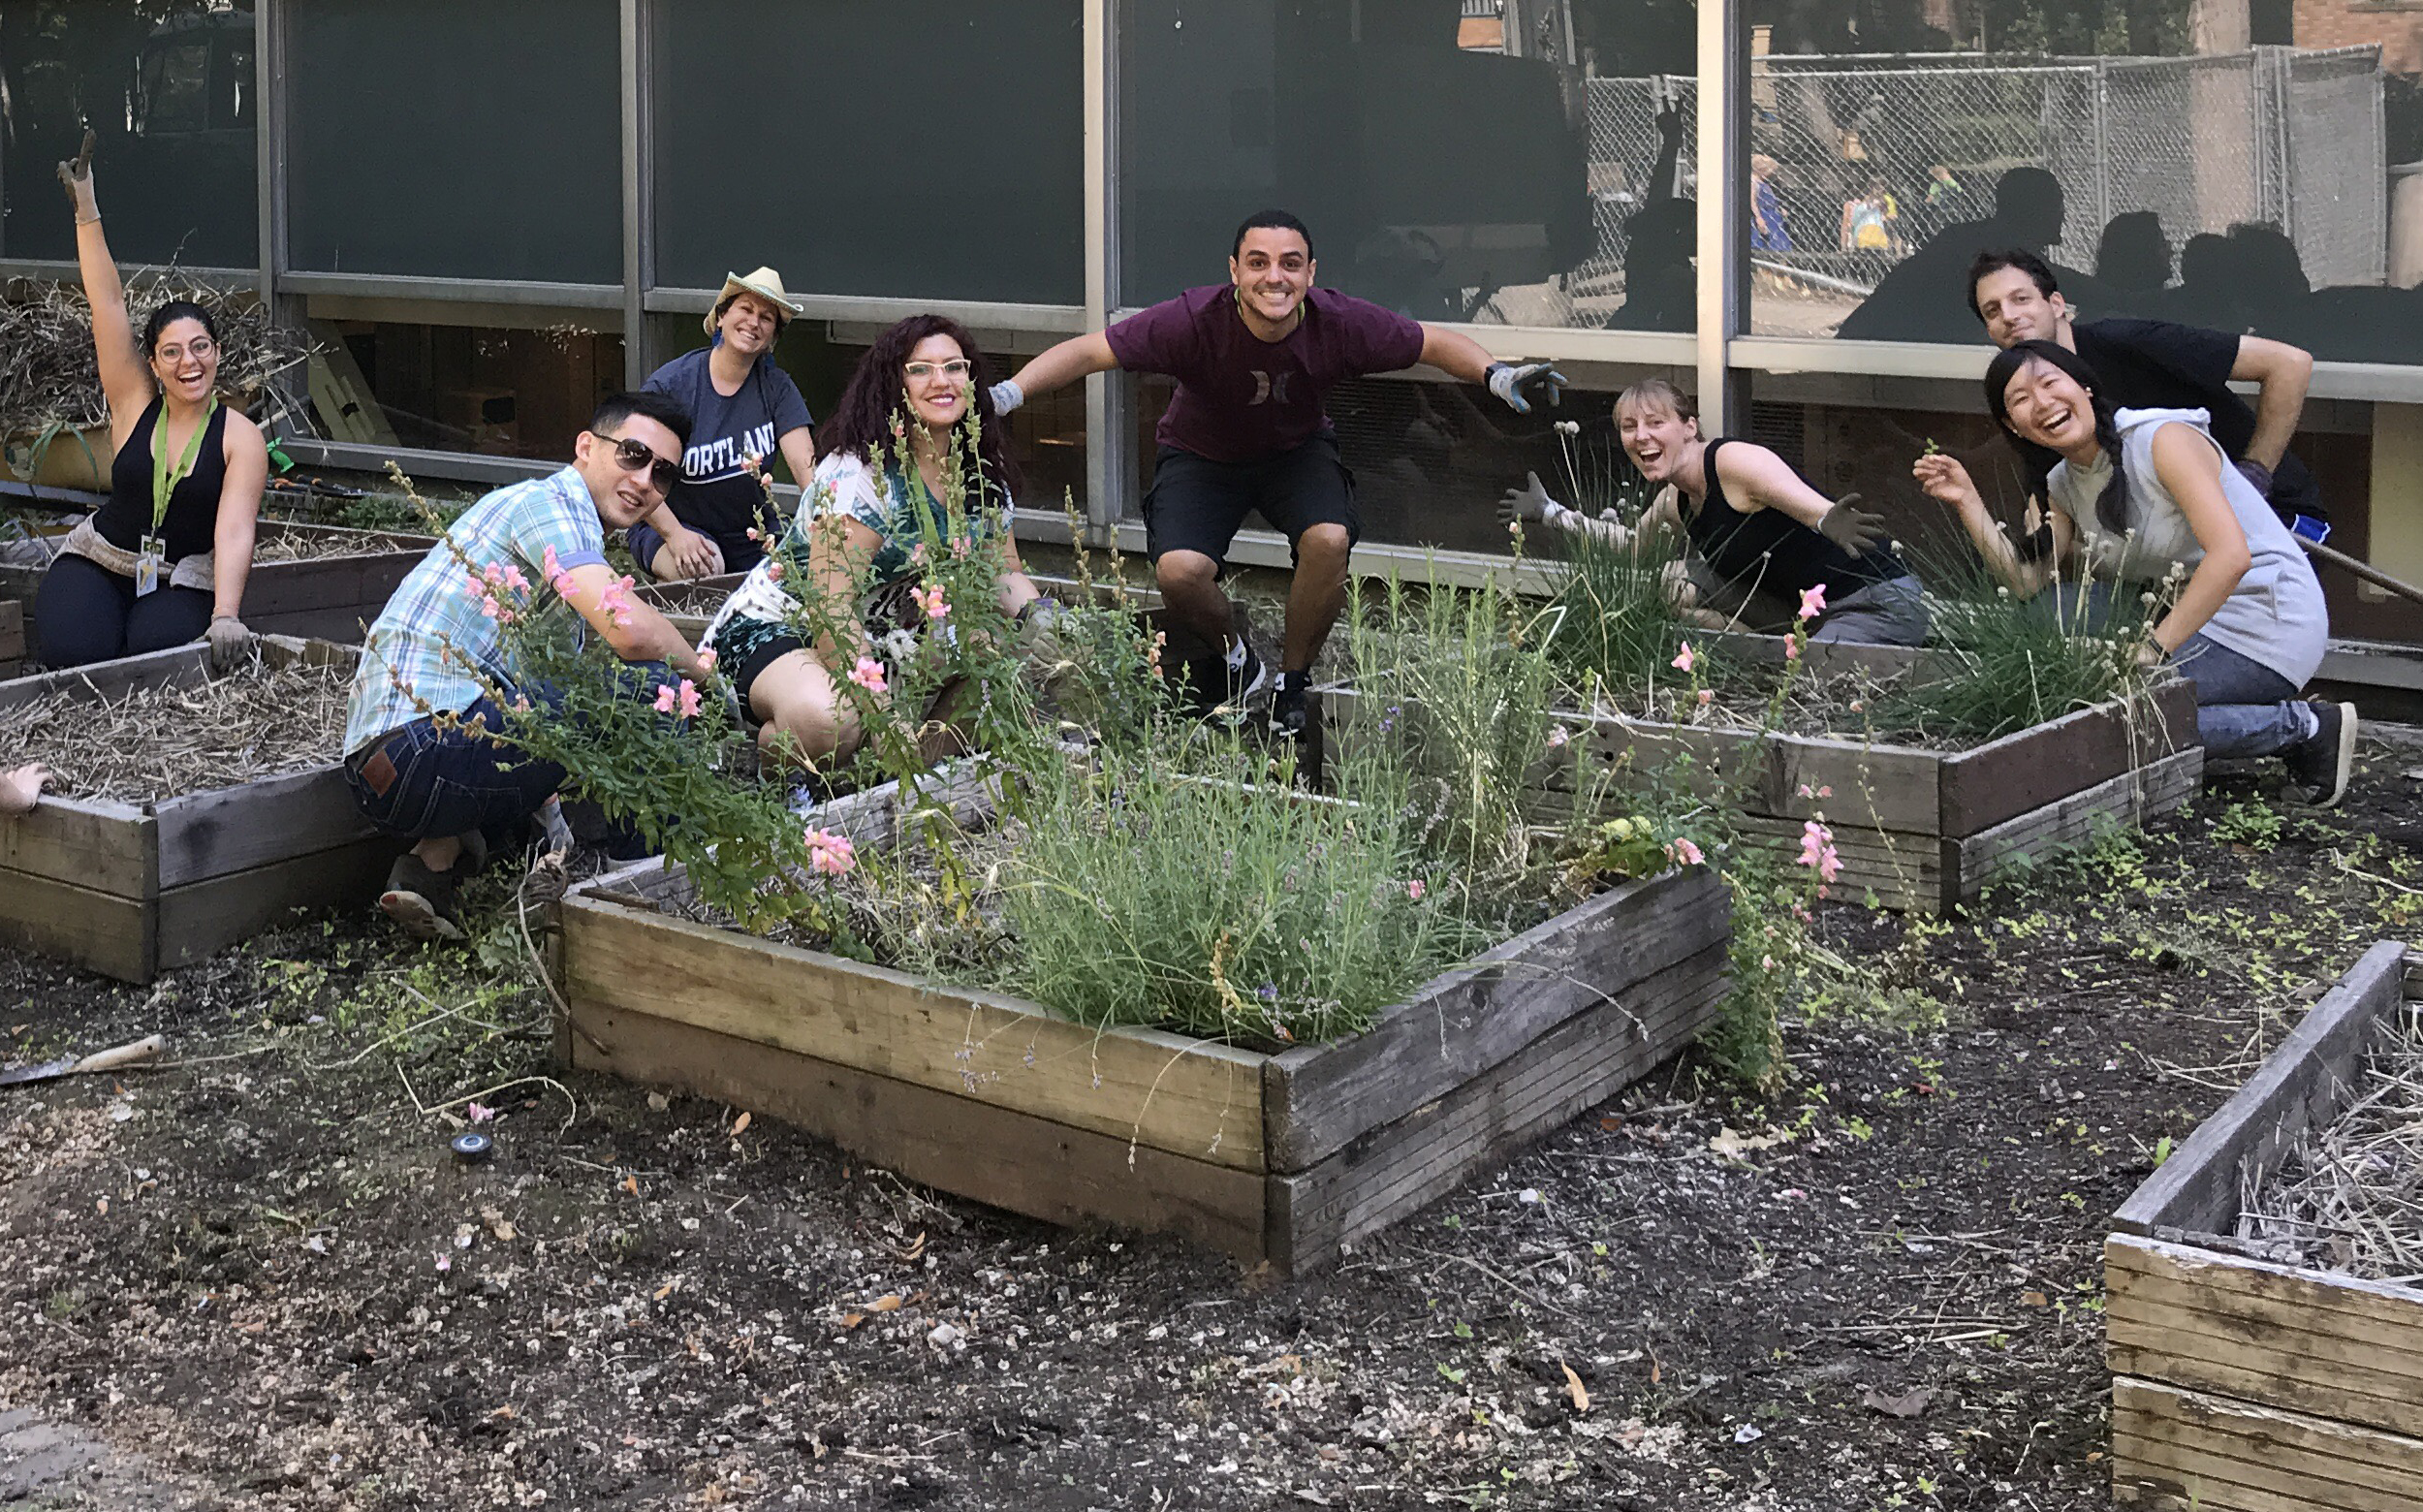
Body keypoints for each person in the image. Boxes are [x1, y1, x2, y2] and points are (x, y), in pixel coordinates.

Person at [989, 209, 1568, 736]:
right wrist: (1005, 395)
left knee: (1329, 539)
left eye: (1290, 264)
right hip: (1201, 457)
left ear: (1310, 274)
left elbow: (1432, 342)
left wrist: (1495, 375)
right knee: (1179, 572)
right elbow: (1093, 351)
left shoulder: (1338, 322)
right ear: (1234, 272)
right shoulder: (1193, 320)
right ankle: (1240, 660)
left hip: (1295, 451)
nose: (1275, 277)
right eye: (1258, 262)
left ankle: (1293, 682)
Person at [1915, 340, 2354, 807]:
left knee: (2112, 717)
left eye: (2049, 383)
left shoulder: (2163, 440)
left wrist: (2151, 651)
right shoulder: (2062, 482)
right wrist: (1967, 501)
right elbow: (2027, 583)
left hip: (2267, 623)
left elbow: (2232, 557)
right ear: (2012, 426)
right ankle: (2215, 708)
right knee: (2050, 618)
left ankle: (2305, 727)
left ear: (2084, 386)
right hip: (2191, 620)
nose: (2042, 404)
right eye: (2020, 400)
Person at [342, 393, 709, 938]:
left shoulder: (553, 522)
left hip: (381, 768)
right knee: (650, 688)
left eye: (663, 475)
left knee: (569, 718)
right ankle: (641, 889)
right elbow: (629, 632)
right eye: (633, 454)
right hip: (423, 744)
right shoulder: (552, 508)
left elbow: (551, 692)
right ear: (586, 446)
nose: (645, 481)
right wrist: (707, 680)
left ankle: (430, 864)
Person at [701, 315, 1041, 770]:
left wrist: (1048, 631)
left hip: (887, 633)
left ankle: (911, 782)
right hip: (785, 627)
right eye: (920, 369)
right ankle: (758, 773)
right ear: (892, 382)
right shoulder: (858, 473)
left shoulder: (979, 461)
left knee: (998, 657)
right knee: (828, 721)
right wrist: (880, 712)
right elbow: (831, 608)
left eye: (955, 367)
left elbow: (1004, 573)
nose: (941, 381)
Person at [36, 132, 267, 672]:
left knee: (150, 659)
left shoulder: (238, 436)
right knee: (76, 652)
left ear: (216, 352)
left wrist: (226, 614)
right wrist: (86, 207)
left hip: (180, 578)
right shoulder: (136, 402)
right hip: (104, 559)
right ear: (154, 363)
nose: (190, 363)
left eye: (200, 347)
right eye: (173, 352)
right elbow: (108, 302)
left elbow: (234, 529)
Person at [1500, 379, 1929, 646]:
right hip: (1800, 614)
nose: (1641, 436)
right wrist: (1552, 512)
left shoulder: (1731, 462)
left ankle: (1788, 665)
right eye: (1629, 427)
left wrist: (1826, 518)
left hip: (1872, 603)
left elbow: (1798, 497)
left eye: (1655, 422)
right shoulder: (1673, 500)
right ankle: (1766, 659)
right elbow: (1632, 547)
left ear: (1689, 426)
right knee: (1666, 583)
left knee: (1820, 686)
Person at [1967, 248, 2326, 534]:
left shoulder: (2126, 342)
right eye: (1993, 311)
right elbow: (2048, 514)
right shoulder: (2035, 404)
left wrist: (2254, 477)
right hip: (2170, 542)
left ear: (2057, 305)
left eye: (2021, 299)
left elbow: (2289, 364)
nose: (2009, 316)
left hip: (2278, 518)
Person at [626, 268, 816, 581]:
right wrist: (674, 535)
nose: (754, 322)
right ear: (722, 315)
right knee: (706, 570)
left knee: (800, 579)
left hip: (752, 534)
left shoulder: (777, 388)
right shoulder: (672, 385)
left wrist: (826, 526)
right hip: (669, 524)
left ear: (772, 336)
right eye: (745, 309)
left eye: (766, 318)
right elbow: (635, 473)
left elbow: (805, 468)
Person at [1838, 168, 2101, 345]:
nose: (2062, 214)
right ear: (2037, 209)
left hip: (1874, 345)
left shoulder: (1970, 237)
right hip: (1886, 354)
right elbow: (2066, 283)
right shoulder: (1999, 250)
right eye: (2056, 204)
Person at [1750, 154, 1792, 253]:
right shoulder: (1753, 182)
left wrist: (1778, 208)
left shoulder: (1763, 182)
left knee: (1779, 244)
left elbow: (1769, 199)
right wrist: (1758, 217)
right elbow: (1752, 201)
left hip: (1773, 214)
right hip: (1765, 215)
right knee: (1766, 245)